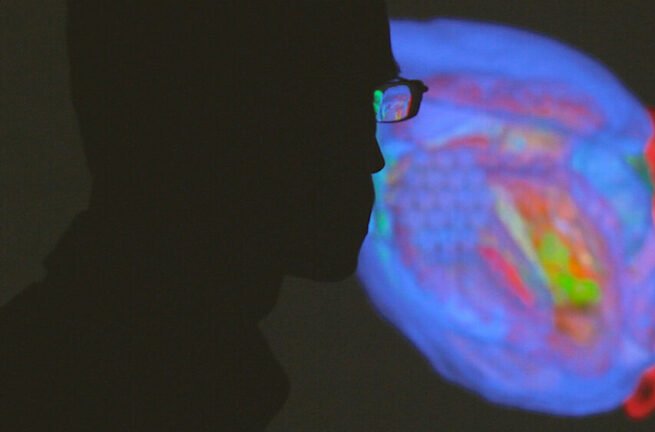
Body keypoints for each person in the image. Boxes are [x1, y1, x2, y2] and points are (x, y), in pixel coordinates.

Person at [0, 2, 424, 430]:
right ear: (200, 116)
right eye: (328, 106)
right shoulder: (76, 395)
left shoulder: (66, 368)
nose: (371, 156)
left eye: (370, 102)